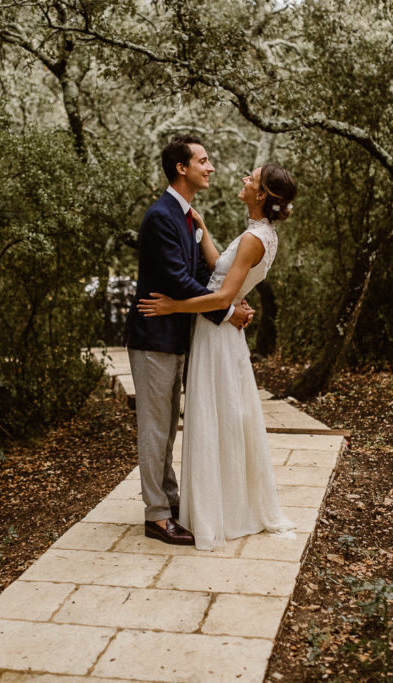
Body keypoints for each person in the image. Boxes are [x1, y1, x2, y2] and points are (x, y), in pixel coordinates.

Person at [138, 163, 298, 551]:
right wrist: (203, 228)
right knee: (223, 414)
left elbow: (225, 296)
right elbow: (216, 267)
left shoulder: (253, 239)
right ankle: (214, 501)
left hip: (217, 334)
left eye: (251, 178)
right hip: (221, 332)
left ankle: (217, 508)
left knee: (215, 416)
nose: (244, 179)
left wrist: (173, 307)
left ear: (261, 195)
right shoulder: (257, 233)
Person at [124, 135, 255, 546]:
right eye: (203, 160)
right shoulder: (161, 216)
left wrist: (233, 300)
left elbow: (199, 277)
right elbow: (179, 282)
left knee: (167, 427)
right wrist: (227, 312)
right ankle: (157, 515)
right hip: (153, 336)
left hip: (177, 335)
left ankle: (171, 500)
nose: (210, 166)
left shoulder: (186, 217)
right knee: (155, 428)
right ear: (181, 168)